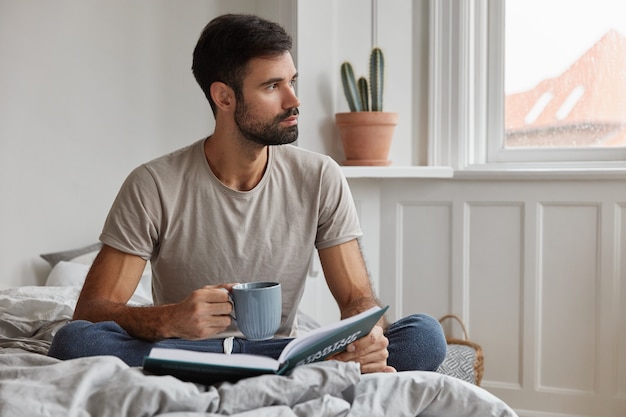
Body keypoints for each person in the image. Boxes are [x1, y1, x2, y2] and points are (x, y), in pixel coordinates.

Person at [48, 13, 446, 374]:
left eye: (292, 81)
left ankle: (271, 372)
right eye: (273, 86)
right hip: (187, 352)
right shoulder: (153, 184)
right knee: (75, 341)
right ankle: (273, 376)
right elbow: (91, 312)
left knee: (425, 335)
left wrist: (368, 336)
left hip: (283, 352)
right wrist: (170, 319)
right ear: (224, 97)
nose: (294, 100)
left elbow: (357, 297)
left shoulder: (320, 176)